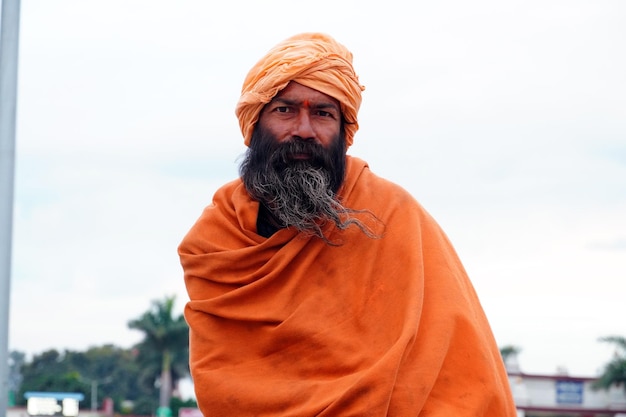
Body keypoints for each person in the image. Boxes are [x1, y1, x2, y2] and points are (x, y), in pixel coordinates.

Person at [178, 32, 517, 416]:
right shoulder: (216, 241)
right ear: (255, 123)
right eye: (285, 110)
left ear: (344, 130)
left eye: (323, 113)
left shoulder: (392, 216)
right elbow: (225, 386)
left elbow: (458, 377)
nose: (304, 130)